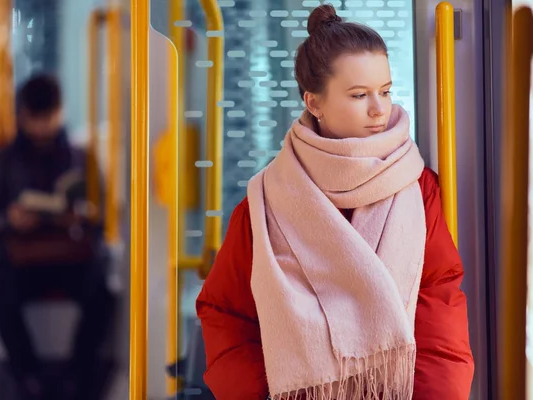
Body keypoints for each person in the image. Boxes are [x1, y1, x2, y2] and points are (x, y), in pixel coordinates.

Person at [196, 5, 474, 400]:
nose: (380, 108)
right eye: (359, 95)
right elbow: (227, 312)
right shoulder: (266, 201)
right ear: (314, 103)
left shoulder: (416, 185)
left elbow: (437, 298)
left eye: (386, 90)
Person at [0, 74, 114, 400]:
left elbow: (103, 214)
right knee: (3, 290)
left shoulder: (81, 158)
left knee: (102, 290)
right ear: (22, 117)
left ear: (60, 112)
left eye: (47, 118)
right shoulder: (2, 162)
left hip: (69, 255)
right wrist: (10, 219)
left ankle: (78, 376)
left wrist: (84, 215)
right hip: (22, 258)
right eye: (35, 119)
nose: (41, 127)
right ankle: (28, 376)